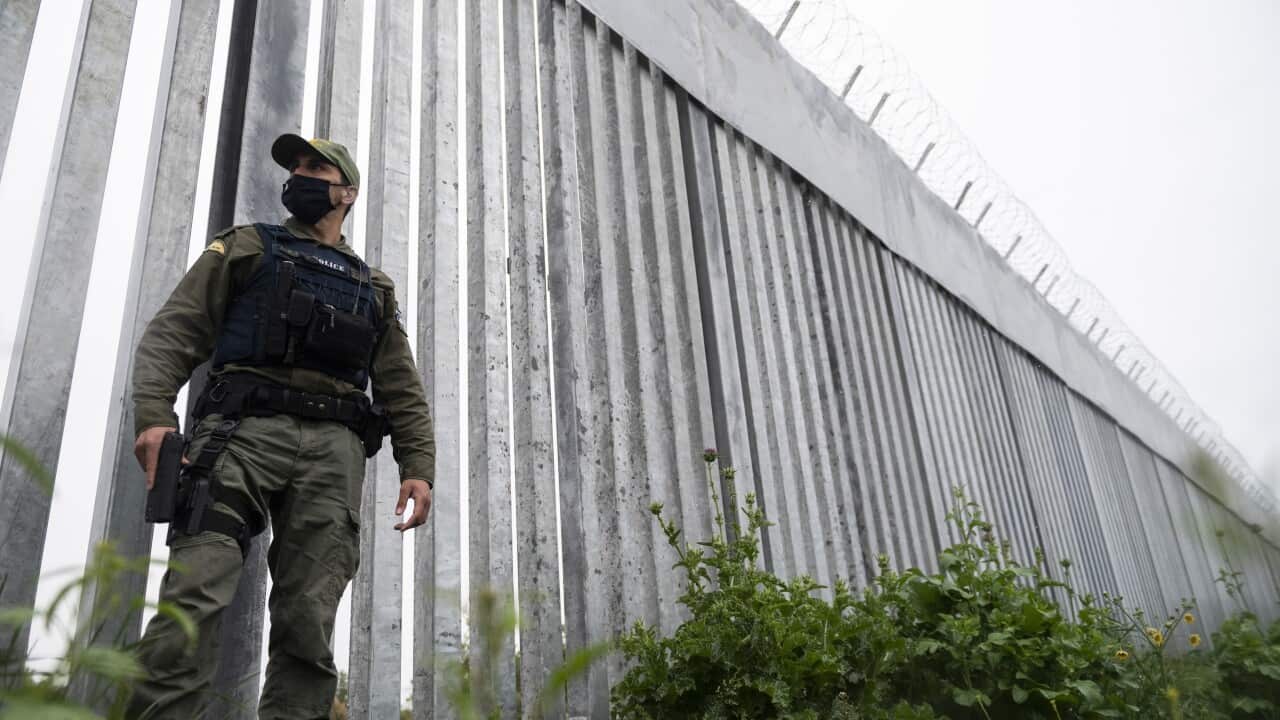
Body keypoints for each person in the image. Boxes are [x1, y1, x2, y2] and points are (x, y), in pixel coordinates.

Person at [125, 134, 435, 719]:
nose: (299, 175)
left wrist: (418, 466)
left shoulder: (374, 287)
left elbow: (400, 386)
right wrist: (153, 418)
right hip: (240, 437)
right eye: (295, 166)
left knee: (308, 622)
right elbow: (173, 334)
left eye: (316, 167)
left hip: (333, 455)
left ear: (347, 192)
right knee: (193, 595)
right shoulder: (246, 248)